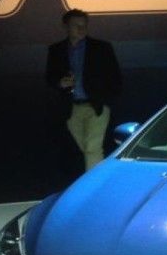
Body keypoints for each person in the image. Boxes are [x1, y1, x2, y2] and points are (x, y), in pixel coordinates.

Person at [46, 9, 121, 171]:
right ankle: (99, 178)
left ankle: (94, 185)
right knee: (87, 149)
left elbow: (114, 76)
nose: (81, 29)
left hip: (96, 106)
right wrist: (60, 83)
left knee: (92, 149)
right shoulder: (56, 50)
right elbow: (49, 77)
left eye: (84, 25)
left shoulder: (101, 48)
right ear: (66, 26)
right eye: (76, 25)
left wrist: (105, 100)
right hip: (71, 108)